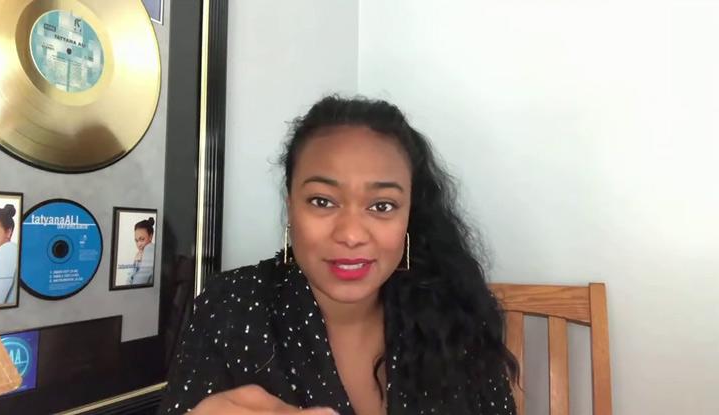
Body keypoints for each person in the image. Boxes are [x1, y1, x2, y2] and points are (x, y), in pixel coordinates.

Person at [158, 96, 518, 415]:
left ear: (410, 215)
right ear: (290, 208)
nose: (350, 234)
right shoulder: (232, 306)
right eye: (322, 201)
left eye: (382, 205)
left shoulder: (457, 314)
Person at [127, 217, 155, 285]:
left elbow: (137, 283)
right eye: (136, 241)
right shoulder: (140, 254)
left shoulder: (150, 248)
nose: (139, 244)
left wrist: (137, 262)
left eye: (142, 239)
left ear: (150, 237)